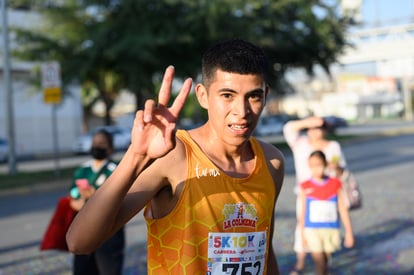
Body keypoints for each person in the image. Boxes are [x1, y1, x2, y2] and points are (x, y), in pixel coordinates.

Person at [66, 39, 285, 274]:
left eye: (253, 96)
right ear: (202, 95)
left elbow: (264, 253)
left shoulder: (272, 162)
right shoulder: (175, 156)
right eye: (227, 95)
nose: (242, 112)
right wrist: (137, 156)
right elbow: (80, 242)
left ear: (265, 95)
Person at [283, 116, 347, 274]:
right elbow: (288, 129)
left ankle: (324, 261)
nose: (314, 131)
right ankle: (301, 262)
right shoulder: (301, 143)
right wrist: (308, 122)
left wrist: (335, 167)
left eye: (318, 128)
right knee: (302, 226)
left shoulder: (333, 146)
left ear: (325, 130)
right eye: (311, 128)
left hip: (328, 196)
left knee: (326, 228)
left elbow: (342, 172)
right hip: (306, 194)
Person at [69, 129, 125, 275]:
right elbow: (73, 199)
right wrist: (82, 200)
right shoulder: (83, 170)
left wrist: (95, 199)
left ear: (110, 148)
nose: (97, 146)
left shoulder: (116, 170)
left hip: (109, 233)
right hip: (84, 229)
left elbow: (121, 200)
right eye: (94, 143)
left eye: (101, 143)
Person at [298, 150, 354, 275]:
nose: (316, 169)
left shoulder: (335, 184)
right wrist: (302, 235)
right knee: (320, 263)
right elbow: (302, 212)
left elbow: (342, 209)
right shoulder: (305, 186)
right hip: (312, 230)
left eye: (318, 164)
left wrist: (349, 232)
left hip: (330, 230)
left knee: (326, 262)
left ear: (325, 164)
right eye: (312, 166)